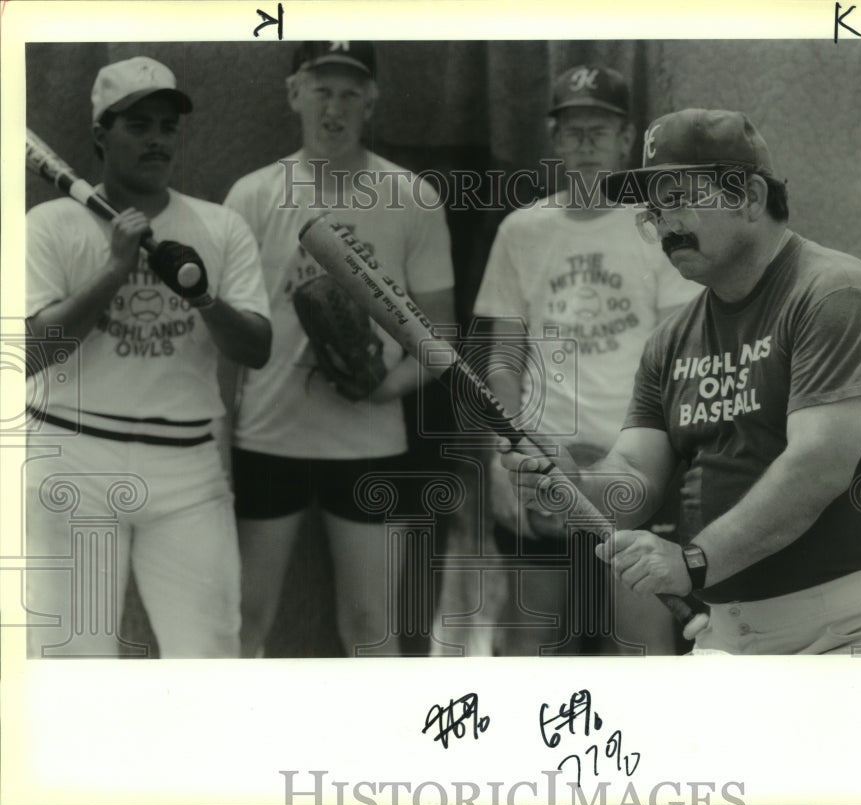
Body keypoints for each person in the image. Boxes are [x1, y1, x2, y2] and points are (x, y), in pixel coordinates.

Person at [501, 108, 861, 655]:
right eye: (653, 207)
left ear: (750, 198)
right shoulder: (669, 342)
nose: (664, 223)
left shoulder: (836, 295)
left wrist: (692, 560)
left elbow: (817, 468)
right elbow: (634, 479)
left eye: (679, 197)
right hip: (732, 627)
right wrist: (578, 483)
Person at [24, 56, 272, 658]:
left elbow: (256, 349)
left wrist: (201, 293)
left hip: (185, 465)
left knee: (209, 654)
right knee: (70, 662)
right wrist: (116, 269)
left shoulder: (220, 226)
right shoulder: (49, 225)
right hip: (71, 458)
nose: (157, 139)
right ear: (100, 136)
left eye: (166, 125)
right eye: (139, 125)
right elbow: (31, 354)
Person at [224, 41, 455, 657]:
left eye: (350, 92)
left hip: (369, 440)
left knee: (369, 621)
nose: (335, 106)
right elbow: (226, 335)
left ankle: (381, 749)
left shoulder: (411, 196)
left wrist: (389, 385)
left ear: (372, 102)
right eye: (321, 89)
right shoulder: (251, 195)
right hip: (268, 434)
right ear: (294, 93)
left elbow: (440, 338)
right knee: (244, 614)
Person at [473, 66, 700, 656]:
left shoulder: (655, 229)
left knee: (641, 647)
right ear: (554, 141)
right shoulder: (521, 230)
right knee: (534, 643)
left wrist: (643, 454)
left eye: (599, 130)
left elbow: (682, 358)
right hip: (542, 463)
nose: (586, 145)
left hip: (635, 468)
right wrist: (515, 442)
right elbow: (503, 354)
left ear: (626, 139)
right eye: (573, 131)